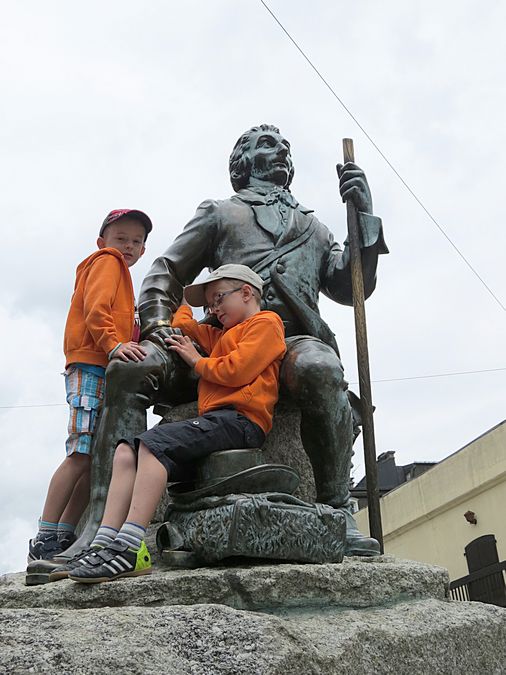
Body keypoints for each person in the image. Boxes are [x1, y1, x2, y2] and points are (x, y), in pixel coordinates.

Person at [65, 124, 388, 561]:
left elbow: (352, 288)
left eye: (284, 146)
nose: (281, 150)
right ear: (242, 161)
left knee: (320, 366)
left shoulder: (316, 229)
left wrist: (363, 218)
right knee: (131, 367)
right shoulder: (220, 213)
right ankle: (105, 523)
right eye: (267, 144)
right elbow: (165, 272)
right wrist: (160, 328)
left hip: (290, 342)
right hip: (221, 341)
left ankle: (336, 512)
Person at [61, 264, 285, 583]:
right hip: (216, 424)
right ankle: (103, 542)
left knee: (152, 444)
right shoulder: (220, 334)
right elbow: (184, 325)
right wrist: (181, 294)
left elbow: (237, 370)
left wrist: (195, 359)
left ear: (247, 293)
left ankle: (130, 546)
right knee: (127, 450)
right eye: (209, 304)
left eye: (219, 299)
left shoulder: (267, 323)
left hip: (241, 422)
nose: (214, 309)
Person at [27, 209, 152, 564]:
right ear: (103, 242)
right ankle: (46, 535)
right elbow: (96, 310)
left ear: (143, 249)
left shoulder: (123, 277)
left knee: (95, 460)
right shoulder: (107, 262)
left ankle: (65, 534)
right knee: (80, 453)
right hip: (90, 365)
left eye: (136, 241)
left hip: (102, 366)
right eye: (121, 238)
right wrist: (114, 345)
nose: (128, 246)